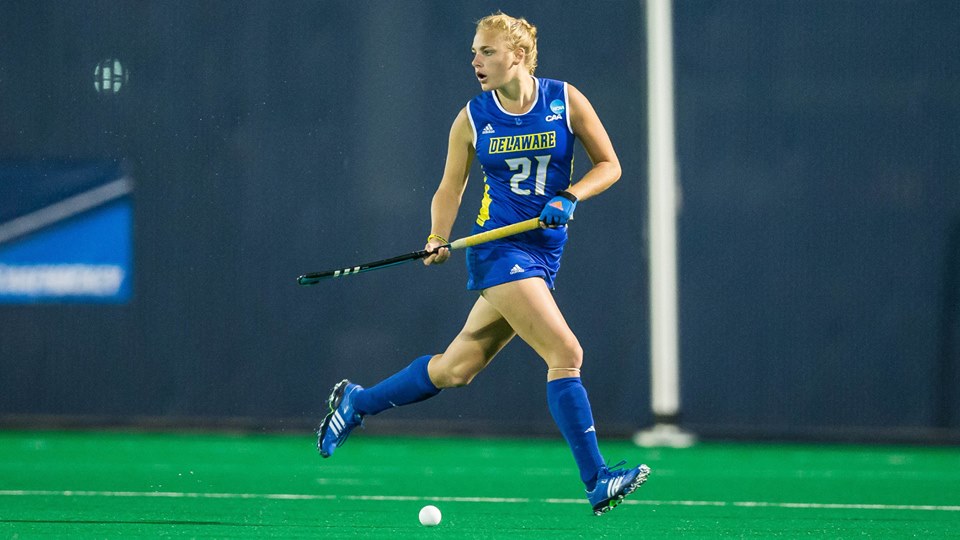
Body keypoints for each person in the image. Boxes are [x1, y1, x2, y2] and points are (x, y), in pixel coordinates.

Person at [316, 11, 650, 516]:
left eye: (486, 51)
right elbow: (451, 187)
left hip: (542, 251)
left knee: (456, 369)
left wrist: (571, 195)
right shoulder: (472, 117)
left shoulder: (565, 100)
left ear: (517, 55)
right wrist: (437, 236)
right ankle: (597, 479)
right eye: (474, 51)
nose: (476, 60)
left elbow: (610, 165)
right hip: (499, 251)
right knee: (566, 352)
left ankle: (356, 403)